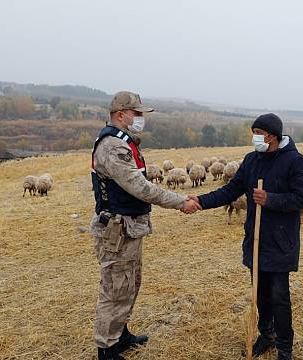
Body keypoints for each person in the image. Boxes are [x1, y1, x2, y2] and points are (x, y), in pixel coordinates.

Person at [90, 91, 201, 360]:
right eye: (136, 113)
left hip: (128, 227)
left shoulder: (124, 142)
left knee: (129, 283)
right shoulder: (113, 146)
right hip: (118, 229)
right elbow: (139, 187)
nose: (140, 118)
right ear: (120, 114)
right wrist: (179, 201)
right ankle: (107, 349)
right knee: (116, 288)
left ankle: (121, 333)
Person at [190, 113, 303, 360]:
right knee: (260, 294)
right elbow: (230, 190)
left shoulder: (294, 161)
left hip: (280, 241)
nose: (255, 136)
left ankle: (285, 347)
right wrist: (200, 201)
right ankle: (266, 335)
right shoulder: (252, 160)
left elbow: (302, 198)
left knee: (279, 296)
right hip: (255, 239)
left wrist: (271, 199)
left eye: (259, 132)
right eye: (253, 131)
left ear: (272, 136)